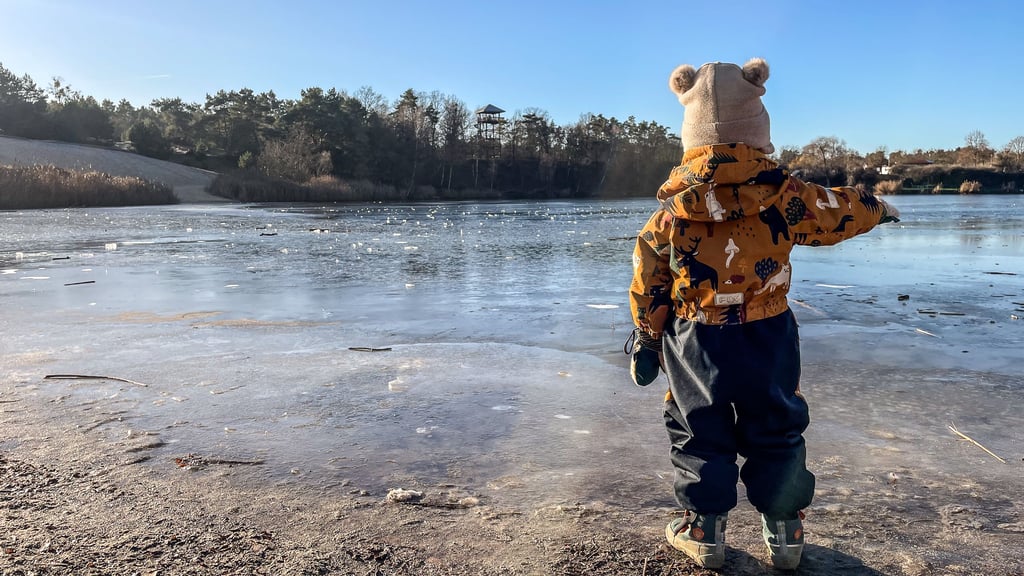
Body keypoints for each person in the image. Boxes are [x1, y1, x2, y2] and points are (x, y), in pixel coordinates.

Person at [627, 58, 900, 570]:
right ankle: (785, 529)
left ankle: (704, 529)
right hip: (768, 329)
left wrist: (646, 337)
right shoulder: (784, 198)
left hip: (695, 336)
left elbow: (649, 281)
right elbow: (837, 212)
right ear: (758, 127)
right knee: (775, 422)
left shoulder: (668, 215)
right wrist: (876, 206)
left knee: (697, 426)